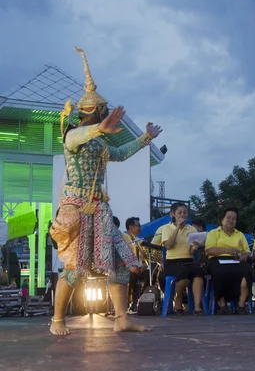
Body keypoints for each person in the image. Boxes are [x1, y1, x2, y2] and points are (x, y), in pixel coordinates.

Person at [49, 46, 162, 336]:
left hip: (99, 209)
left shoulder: (99, 143)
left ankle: (121, 318)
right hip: (76, 209)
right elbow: (82, 135)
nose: (106, 115)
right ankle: (57, 321)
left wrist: (145, 138)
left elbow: (121, 153)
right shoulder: (72, 135)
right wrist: (100, 129)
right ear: (97, 112)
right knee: (75, 269)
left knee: (120, 262)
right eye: (104, 112)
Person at [205, 208, 252, 314]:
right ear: (222, 219)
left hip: (236, 260)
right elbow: (209, 250)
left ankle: (241, 304)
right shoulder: (214, 233)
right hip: (218, 259)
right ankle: (222, 304)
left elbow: (247, 251)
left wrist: (243, 256)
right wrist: (227, 250)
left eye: (234, 219)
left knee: (247, 270)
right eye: (228, 218)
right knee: (218, 271)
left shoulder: (239, 234)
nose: (231, 220)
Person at [161, 203, 205, 315]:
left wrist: (195, 248)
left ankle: (197, 307)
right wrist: (177, 229)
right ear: (172, 214)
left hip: (188, 261)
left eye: (185, 213)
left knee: (199, 272)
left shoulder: (192, 229)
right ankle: (178, 297)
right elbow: (168, 246)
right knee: (184, 273)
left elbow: (191, 252)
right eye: (179, 213)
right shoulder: (166, 228)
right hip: (172, 262)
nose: (182, 215)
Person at [125, 217, 150, 309]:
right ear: (131, 227)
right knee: (132, 275)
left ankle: (142, 299)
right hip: (128, 269)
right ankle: (131, 301)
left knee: (150, 274)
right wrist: (131, 267)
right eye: (138, 225)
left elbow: (145, 258)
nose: (140, 228)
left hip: (139, 268)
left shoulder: (140, 241)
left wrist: (144, 265)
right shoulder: (124, 239)